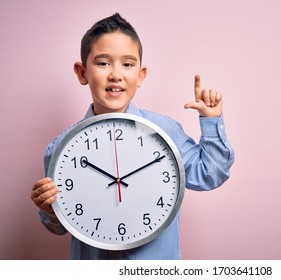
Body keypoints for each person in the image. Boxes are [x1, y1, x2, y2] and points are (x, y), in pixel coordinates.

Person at [30, 13, 234, 260]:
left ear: (141, 75)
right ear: (82, 73)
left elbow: (210, 174)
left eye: (127, 64)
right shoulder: (60, 150)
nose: (116, 74)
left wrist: (211, 122)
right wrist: (48, 209)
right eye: (103, 63)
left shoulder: (166, 132)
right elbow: (61, 226)